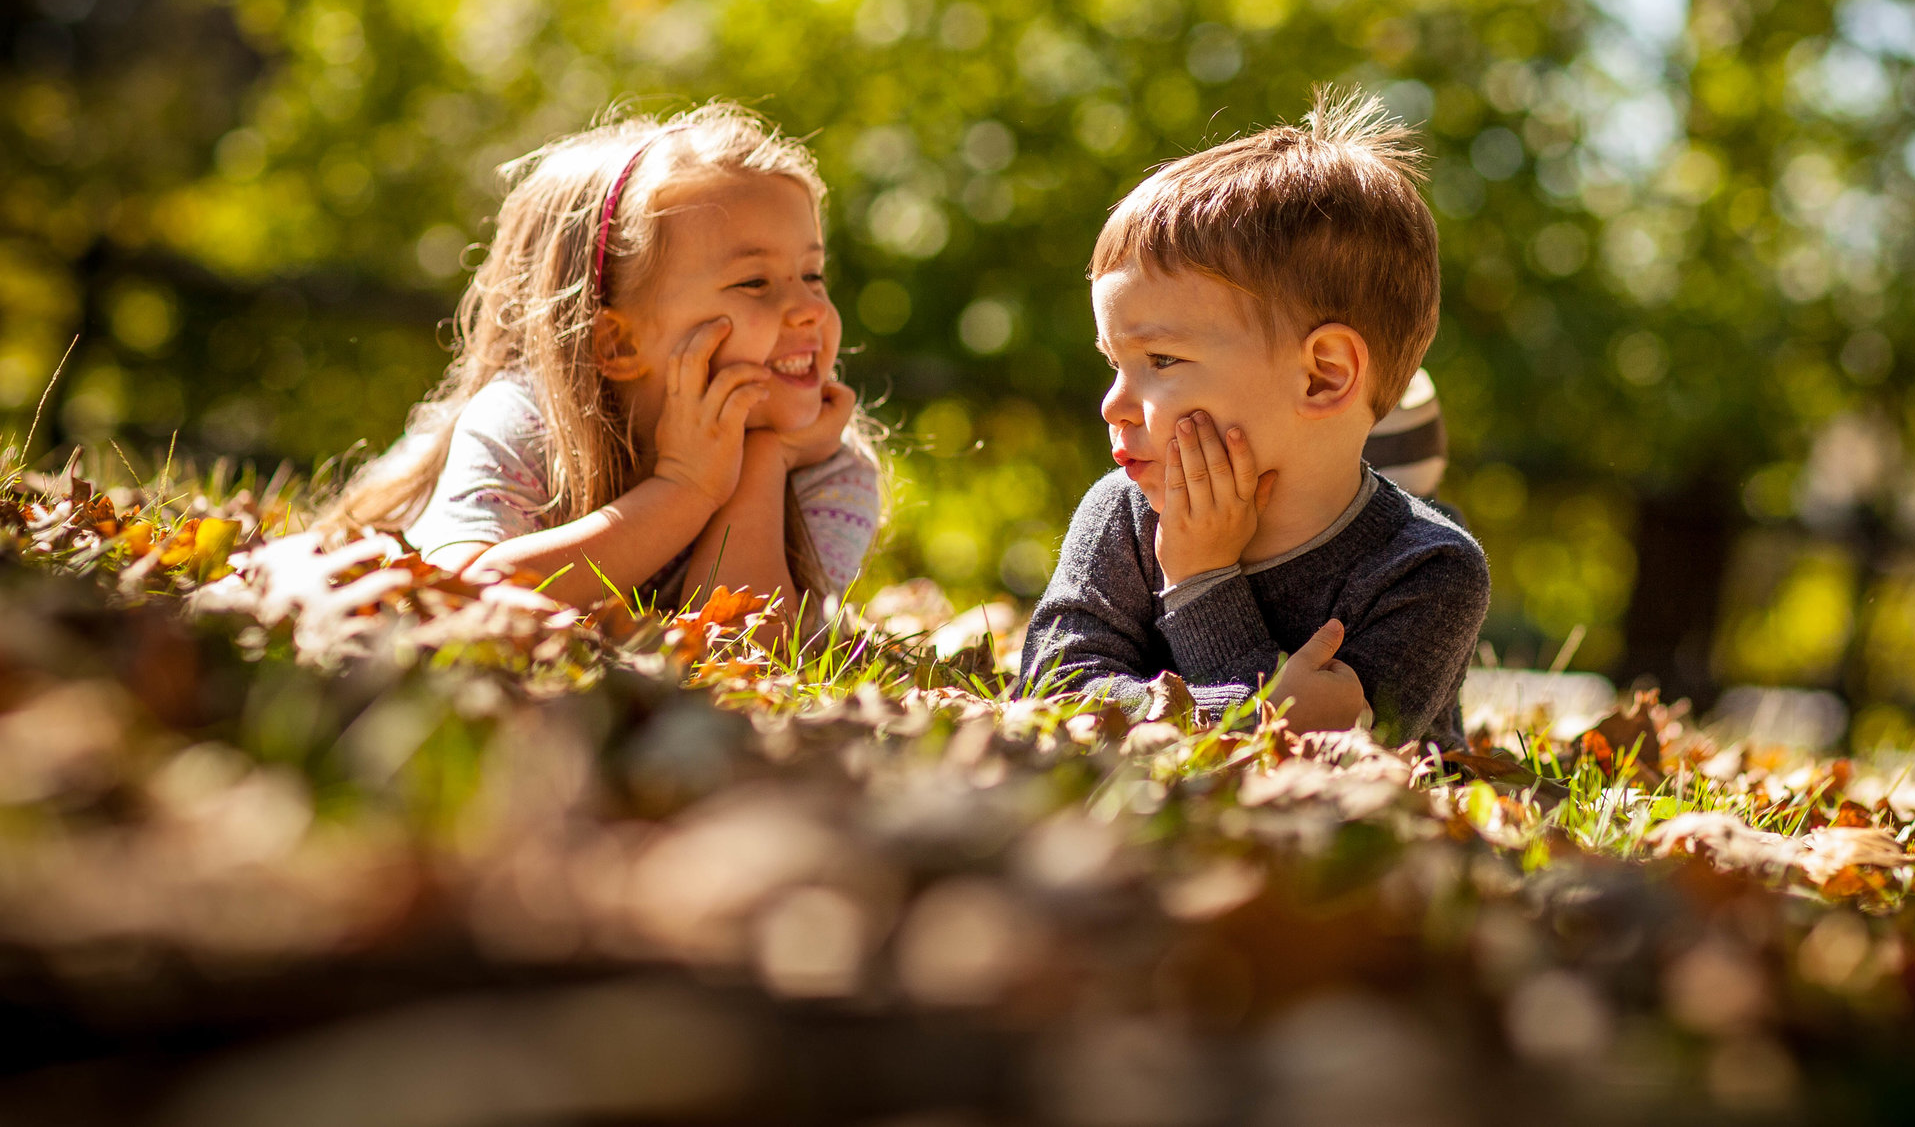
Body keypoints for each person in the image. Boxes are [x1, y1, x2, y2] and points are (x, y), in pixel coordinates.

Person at [1016, 89, 1489, 744]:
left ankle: (1408, 466)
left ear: (1323, 374)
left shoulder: (1427, 570)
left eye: (1161, 359)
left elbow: (1331, 758)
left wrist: (1201, 583)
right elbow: (1051, 685)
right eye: (1114, 363)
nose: (1112, 404)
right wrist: (1243, 700)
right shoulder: (1122, 515)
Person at [321, 104, 878, 646]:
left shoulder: (828, 471)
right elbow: (463, 593)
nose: (809, 308)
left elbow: (751, 647)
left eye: (812, 273)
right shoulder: (526, 423)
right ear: (619, 341)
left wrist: (764, 461)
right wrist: (685, 490)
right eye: (754, 283)